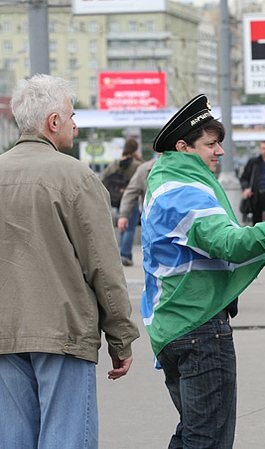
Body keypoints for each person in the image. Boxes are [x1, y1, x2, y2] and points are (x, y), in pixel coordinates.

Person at [141, 94, 265, 448]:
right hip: (199, 326)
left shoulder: (165, 181)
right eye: (211, 144)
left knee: (192, 433)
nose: (220, 152)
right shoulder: (185, 191)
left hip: (175, 325)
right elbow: (229, 244)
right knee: (208, 439)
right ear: (184, 146)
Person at [0, 74, 140, 448]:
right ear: (53, 122)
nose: (75, 124)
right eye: (72, 116)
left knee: (12, 438)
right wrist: (121, 338)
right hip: (63, 332)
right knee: (66, 437)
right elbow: (103, 267)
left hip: (4, 331)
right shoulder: (76, 177)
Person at [102, 137, 142, 265]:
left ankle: (121, 254)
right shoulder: (136, 165)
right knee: (130, 228)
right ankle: (125, 255)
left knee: (121, 226)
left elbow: (104, 177)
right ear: (135, 150)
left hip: (117, 199)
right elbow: (145, 173)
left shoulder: (114, 163)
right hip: (131, 200)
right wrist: (139, 158)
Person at [116, 156, 159, 257]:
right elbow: (131, 192)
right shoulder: (144, 168)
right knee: (129, 230)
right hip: (153, 220)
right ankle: (125, 254)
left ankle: (124, 254)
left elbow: (106, 176)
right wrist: (123, 214)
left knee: (128, 230)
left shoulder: (116, 163)